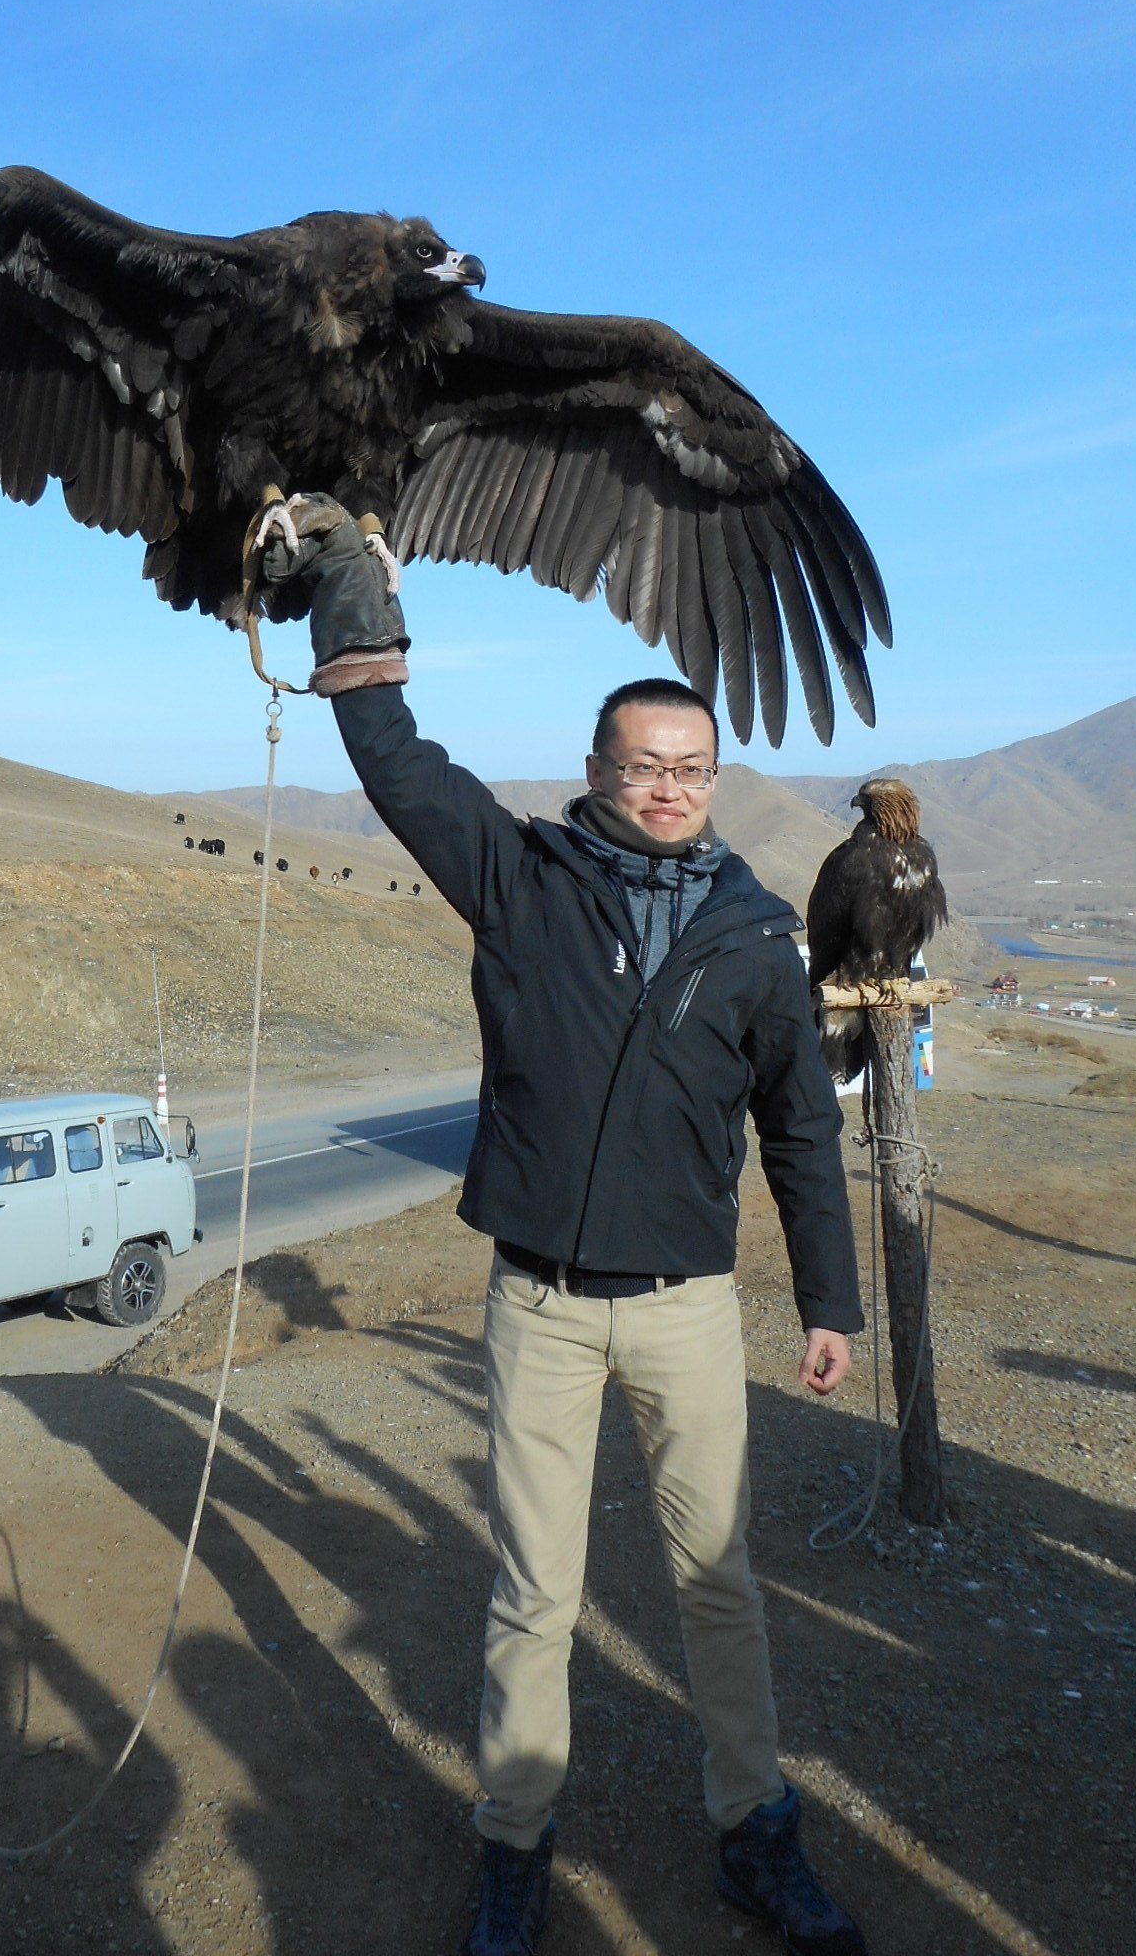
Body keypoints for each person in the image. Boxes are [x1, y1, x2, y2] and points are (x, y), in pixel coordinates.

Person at [265, 499, 870, 1956]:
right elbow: (400, 766)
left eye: (692, 769)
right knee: (536, 1593)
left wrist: (829, 1304)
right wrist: (354, 610)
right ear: (597, 771)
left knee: (718, 1584)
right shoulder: (522, 880)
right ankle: (515, 1847)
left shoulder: (756, 937)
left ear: (715, 780)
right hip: (536, 1302)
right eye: (643, 766)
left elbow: (799, 1125)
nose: (669, 788)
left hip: (685, 1308)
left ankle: (755, 1830)